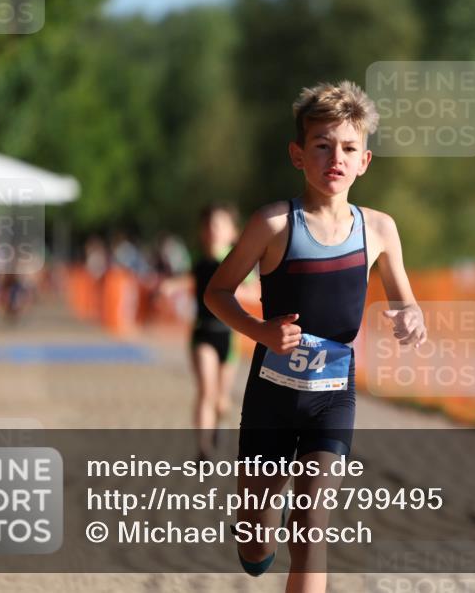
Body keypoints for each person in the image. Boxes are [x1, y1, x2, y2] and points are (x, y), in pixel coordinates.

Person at [203, 80, 427, 592]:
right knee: (255, 541)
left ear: (365, 160)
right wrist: (260, 330)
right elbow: (217, 292)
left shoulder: (379, 230)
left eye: (348, 147)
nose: (336, 158)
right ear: (297, 154)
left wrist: (411, 317)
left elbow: (405, 301)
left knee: (311, 528)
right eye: (322, 145)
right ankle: (258, 534)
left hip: (332, 398)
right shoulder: (273, 224)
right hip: (271, 397)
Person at [160, 205, 256, 460]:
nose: (213, 230)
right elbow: (190, 279)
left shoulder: (235, 260)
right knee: (206, 390)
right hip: (203, 332)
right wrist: (170, 286)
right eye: (209, 225)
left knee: (222, 398)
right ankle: (204, 447)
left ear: (232, 233)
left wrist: (234, 293)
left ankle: (219, 423)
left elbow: (255, 291)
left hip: (228, 335)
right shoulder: (198, 258)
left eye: (220, 225)